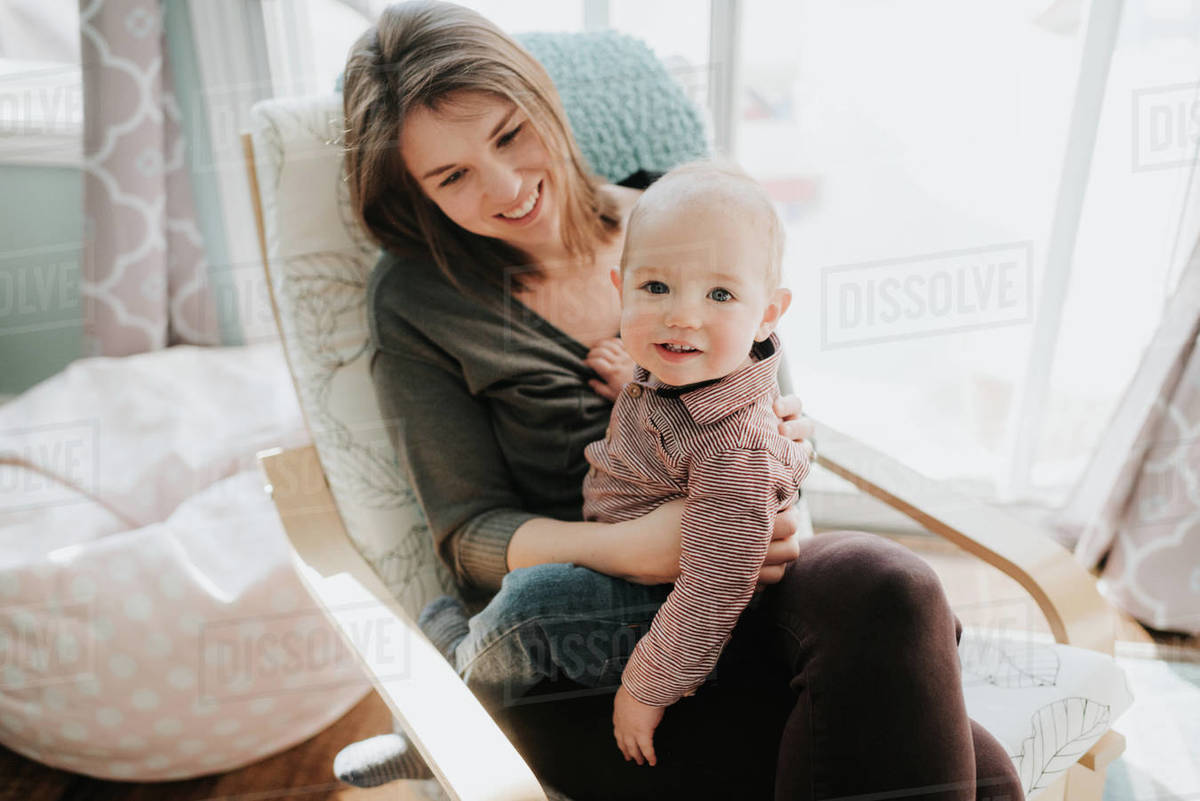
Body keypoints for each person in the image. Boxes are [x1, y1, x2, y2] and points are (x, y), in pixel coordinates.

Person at [335, 2, 1026, 799]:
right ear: (415, 193)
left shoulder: (692, 220)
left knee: (891, 585)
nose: (507, 186)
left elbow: (770, 404)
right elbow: (469, 536)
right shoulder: (420, 301)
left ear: (542, 101)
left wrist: (781, 454)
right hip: (579, 646)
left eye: (509, 134)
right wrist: (639, 546)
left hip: (744, 578)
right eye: (451, 176)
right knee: (987, 778)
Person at [415, 159, 810, 769]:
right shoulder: (679, 372)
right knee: (527, 603)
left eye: (720, 294)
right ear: (619, 287)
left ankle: (446, 715)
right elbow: (680, 424)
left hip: (672, 608)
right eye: (656, 288)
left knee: (532, 604)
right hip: (632, 567)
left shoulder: (738, 451)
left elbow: (712, 590)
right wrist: (636, 378)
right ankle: (465, 662)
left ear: (767, 314)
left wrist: (645, 689)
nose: (681, 316)